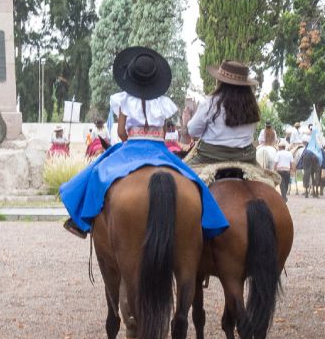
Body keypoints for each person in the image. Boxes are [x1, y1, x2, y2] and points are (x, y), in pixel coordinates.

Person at [59, 46, 229, 240]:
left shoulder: (125, 100)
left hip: (131, 147)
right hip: (159, 150)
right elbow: (164, 132)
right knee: (193, 179)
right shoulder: (163, 102)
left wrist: (126, 142)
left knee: (97, 172)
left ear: (131, 77)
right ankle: (210, 223)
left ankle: (83, 223)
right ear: (155, 78)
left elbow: (121, 131)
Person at [185, 60, 261, 166]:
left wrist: (187, 121)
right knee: (266, 178)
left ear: (220, 81)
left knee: (181, 174)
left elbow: (193, 131)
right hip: (246, 158)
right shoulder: (251, 105)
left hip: (210, 158)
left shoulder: (210, 103)